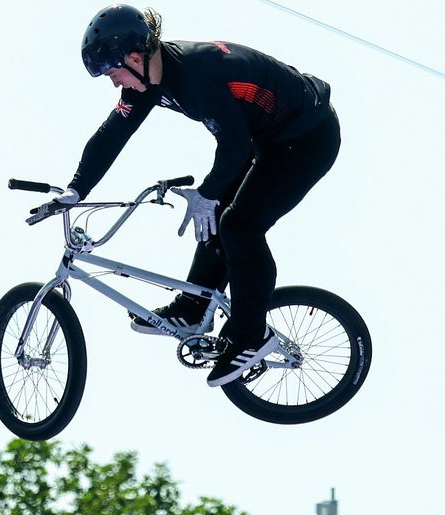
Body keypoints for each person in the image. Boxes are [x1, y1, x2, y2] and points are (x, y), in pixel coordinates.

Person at [37, 4, 341, 387]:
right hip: (266, 140)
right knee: (216, 216)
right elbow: (111, 134)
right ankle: (194, 308)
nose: (114, 84)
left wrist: (208, 193)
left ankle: (251, 336)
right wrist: (76, 188)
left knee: (239, 226)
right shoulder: (148, 79)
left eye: (112, 73)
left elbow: (234, 147)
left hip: (308, 138)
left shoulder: (200, 76)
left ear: (134, 58)